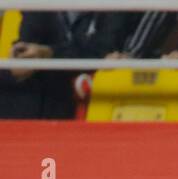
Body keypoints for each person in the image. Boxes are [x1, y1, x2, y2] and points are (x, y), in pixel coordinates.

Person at [1, 11, 138, 118]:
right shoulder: (37, 9)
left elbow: (103, 51)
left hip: (77, 99)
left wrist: (50, 53)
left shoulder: (114, 9)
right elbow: (26, 51)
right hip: (29, 98)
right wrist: (16, 67)